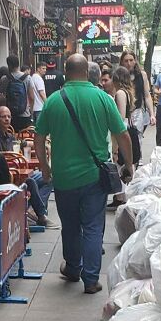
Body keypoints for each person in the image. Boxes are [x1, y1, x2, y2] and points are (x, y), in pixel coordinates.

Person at [35, 54, 133, 294]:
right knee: (92, 226)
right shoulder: (102, 98)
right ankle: (91, 279)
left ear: (66, 72)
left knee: (69, 225)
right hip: (93, 176)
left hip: (64, 177)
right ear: (90, 74)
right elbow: (122, 134)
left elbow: (38, 138)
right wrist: (128, 164)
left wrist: (45, 168)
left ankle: (72, 268)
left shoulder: (54, 101)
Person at [0, 114, 56, 228]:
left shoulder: (0, 153)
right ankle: (35, 213)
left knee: (34, 181)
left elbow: (6, 185)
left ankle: (39, 213)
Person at [112, 66, 141, 168]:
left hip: (125, 132)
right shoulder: (128, 93)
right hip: (131, 130)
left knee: (123, 167)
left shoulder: (120, 93)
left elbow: (121, 118)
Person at [0, 55, 35, 132]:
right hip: (25, 115)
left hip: (9, 116)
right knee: (24, 137)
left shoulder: (4, 79)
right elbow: (31, 97)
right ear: (18, 64)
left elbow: (1, 97)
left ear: (9, 65)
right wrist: (31, 111)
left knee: (10, 136)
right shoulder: (27, 78)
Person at [120, 51, 156, 128]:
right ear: (122, 62)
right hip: (124, 113)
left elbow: (147, 95)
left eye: (131, 60)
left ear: (135, 61)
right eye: (126, 61)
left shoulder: (142, 75)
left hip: (138, 112)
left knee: (137, 138)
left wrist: (152, 114)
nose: (129, 63)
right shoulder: (119, 77)